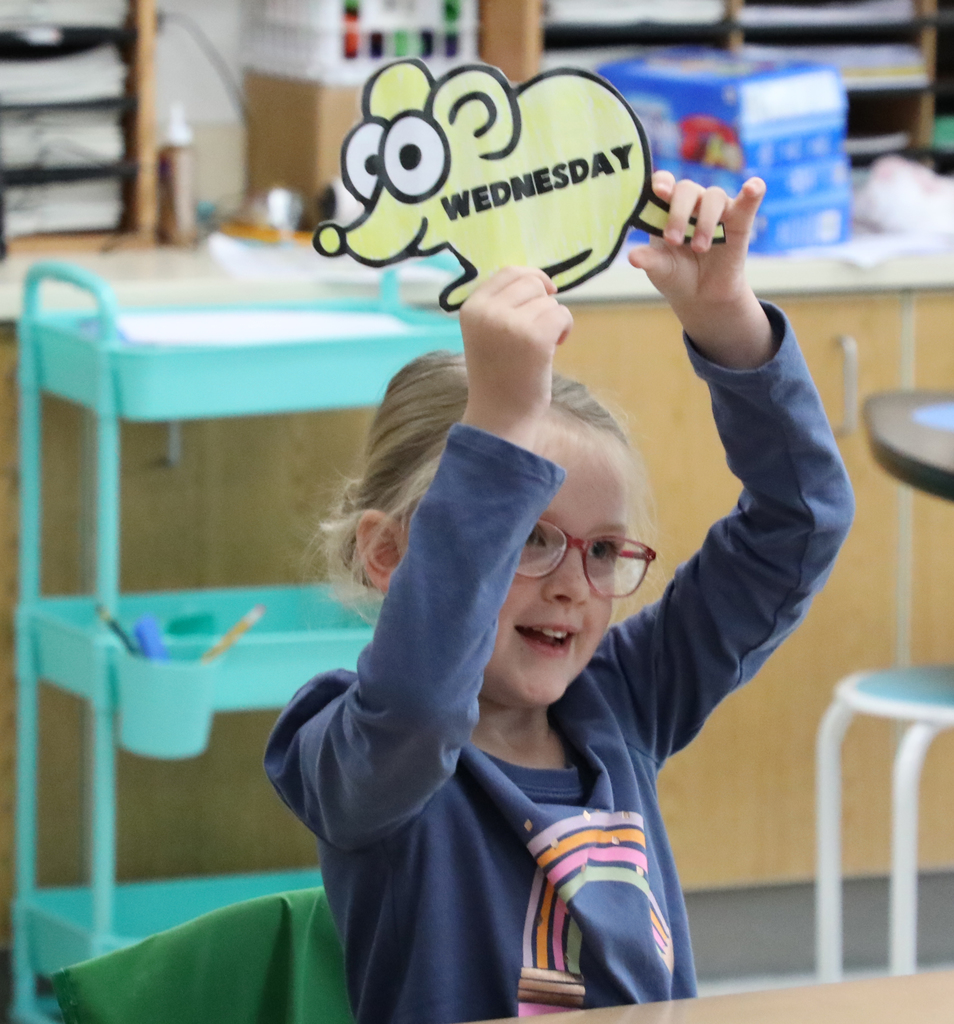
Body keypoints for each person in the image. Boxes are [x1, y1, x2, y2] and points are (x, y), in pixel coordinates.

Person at [265, 172, 855, 1024]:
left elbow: (801, 523)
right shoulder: (351, 746)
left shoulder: (621, 699)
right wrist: (498, 426)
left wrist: (730, 324)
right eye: (527, 538)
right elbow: (425, 708)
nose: (576, 586)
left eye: (605, 550)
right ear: (392, 554)